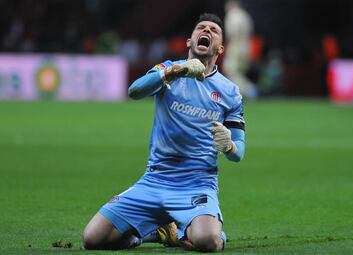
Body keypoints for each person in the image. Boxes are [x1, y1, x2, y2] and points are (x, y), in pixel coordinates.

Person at [83, 13, 246, 252]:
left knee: (207, 242)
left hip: (197, 185)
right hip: (154, 181)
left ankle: (213, 231)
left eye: (214, 30)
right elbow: (134, 91)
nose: (207, 31)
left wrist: (229, 146)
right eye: (201, 27)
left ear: (220, 48)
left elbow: (239, 152)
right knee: (92, 239)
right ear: (190, 41)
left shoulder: (230, 91)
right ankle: (156, 233)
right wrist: (173, 73)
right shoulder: (168, 69)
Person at [223, 0, 258, 99]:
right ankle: (240, 94)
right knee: (240, 72)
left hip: (236, 45)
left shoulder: (232, 15)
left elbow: (233, 32)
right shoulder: (245, 15)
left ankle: (249, 89)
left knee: (230, 70)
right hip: (247, 46)